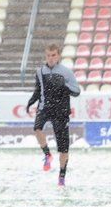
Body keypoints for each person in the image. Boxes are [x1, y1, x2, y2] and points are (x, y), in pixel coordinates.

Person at [26, 44, 81, 187]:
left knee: (63, 148)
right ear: (46, 56)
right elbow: (38, 90)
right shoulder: (40, 71)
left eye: (54, 55)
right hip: (45, 108)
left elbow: (77, 91)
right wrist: (31, 102)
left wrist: (64, 86)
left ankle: (62, 176)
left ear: (58, 56)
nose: (51, 58)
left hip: (61, 111)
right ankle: (47, 154)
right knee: (37, 128)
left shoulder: (66, 72)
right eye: (48, 55)